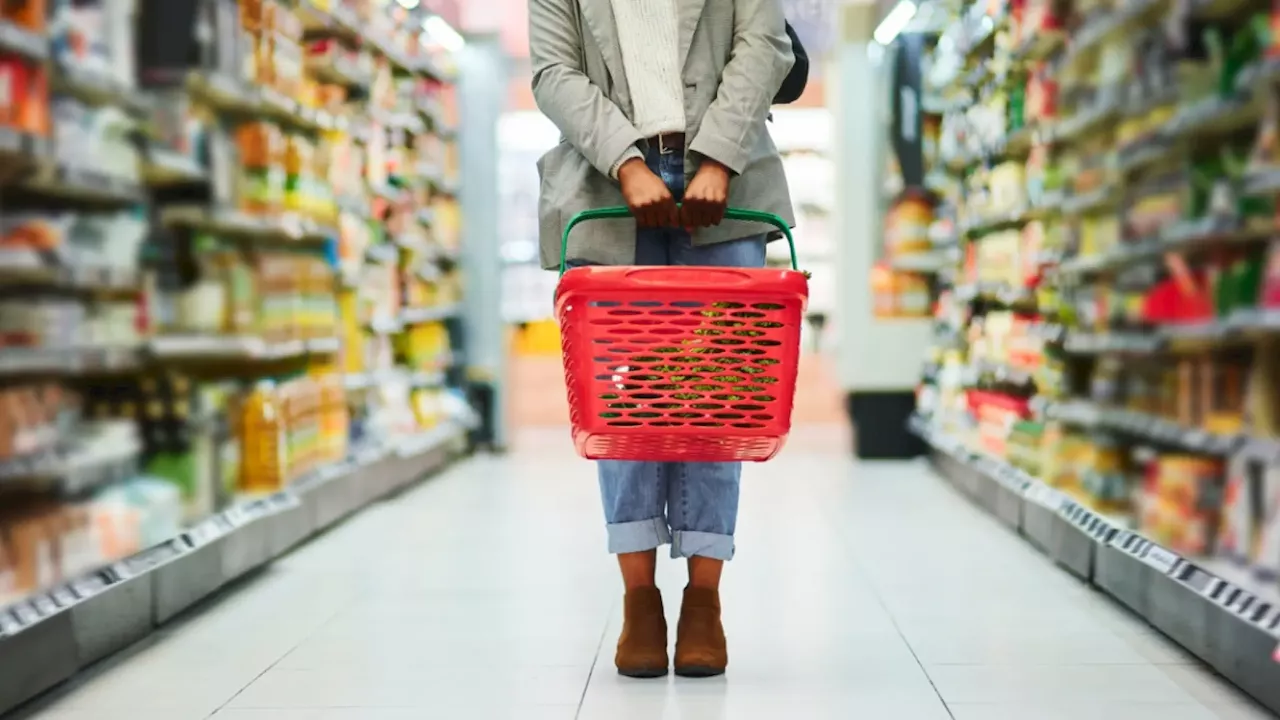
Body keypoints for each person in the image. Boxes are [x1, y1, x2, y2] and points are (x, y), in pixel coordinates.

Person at [529, 0, 796, 679]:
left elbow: (764, 45)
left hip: (726, 183)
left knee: (716, 400)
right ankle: (639, 600)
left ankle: (704, 601)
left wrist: (718, 157)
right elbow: (554, 71)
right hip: (604, 182)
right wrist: (625, 162)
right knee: (624, 406)